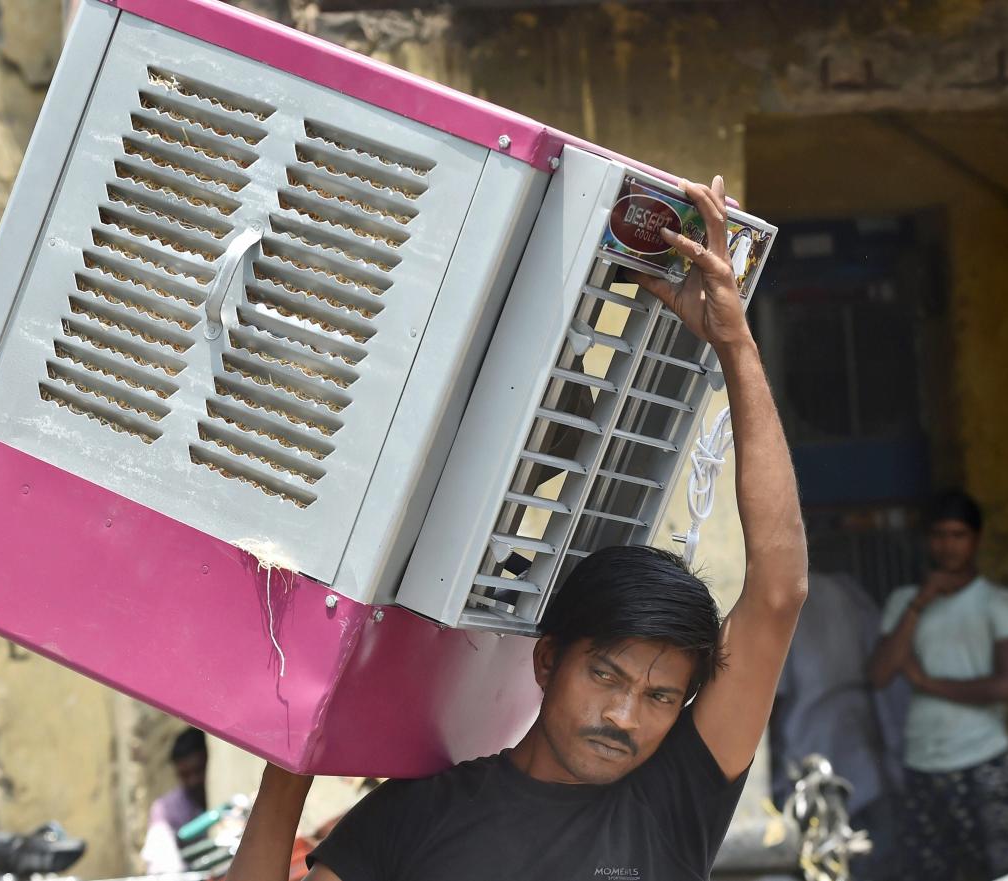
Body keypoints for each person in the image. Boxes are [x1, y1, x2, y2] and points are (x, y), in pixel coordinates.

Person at [224, 175, 809, 881]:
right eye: (604, 674)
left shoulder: (671, 798)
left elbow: (778, 591)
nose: (624, 715)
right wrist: (289, 765)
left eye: (659, 697)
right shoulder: (420, 812)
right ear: (547, 660)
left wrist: (735, 346)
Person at [869, 490, 1008, 880]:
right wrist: (922, 602)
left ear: (977, 539)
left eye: (958, 534)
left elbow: (1005, 686)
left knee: (997, 871)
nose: (947, 545)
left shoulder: (997, 603)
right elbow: (879, 675)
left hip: (984, 759)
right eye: (939, 535)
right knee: (930, 873)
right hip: (922, 761)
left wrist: (926, 682)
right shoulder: (903, 601)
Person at [770, 571, 907, 881]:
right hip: (858, 740)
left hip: (811, 748)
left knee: (826, 854)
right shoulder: (845, 591)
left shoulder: (781, 599)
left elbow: (772, 700)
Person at [140, 727, 209, 873]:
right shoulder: (166, 809)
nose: (193, 781)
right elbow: (161, 864)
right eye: (185, 775)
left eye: (199, 770)